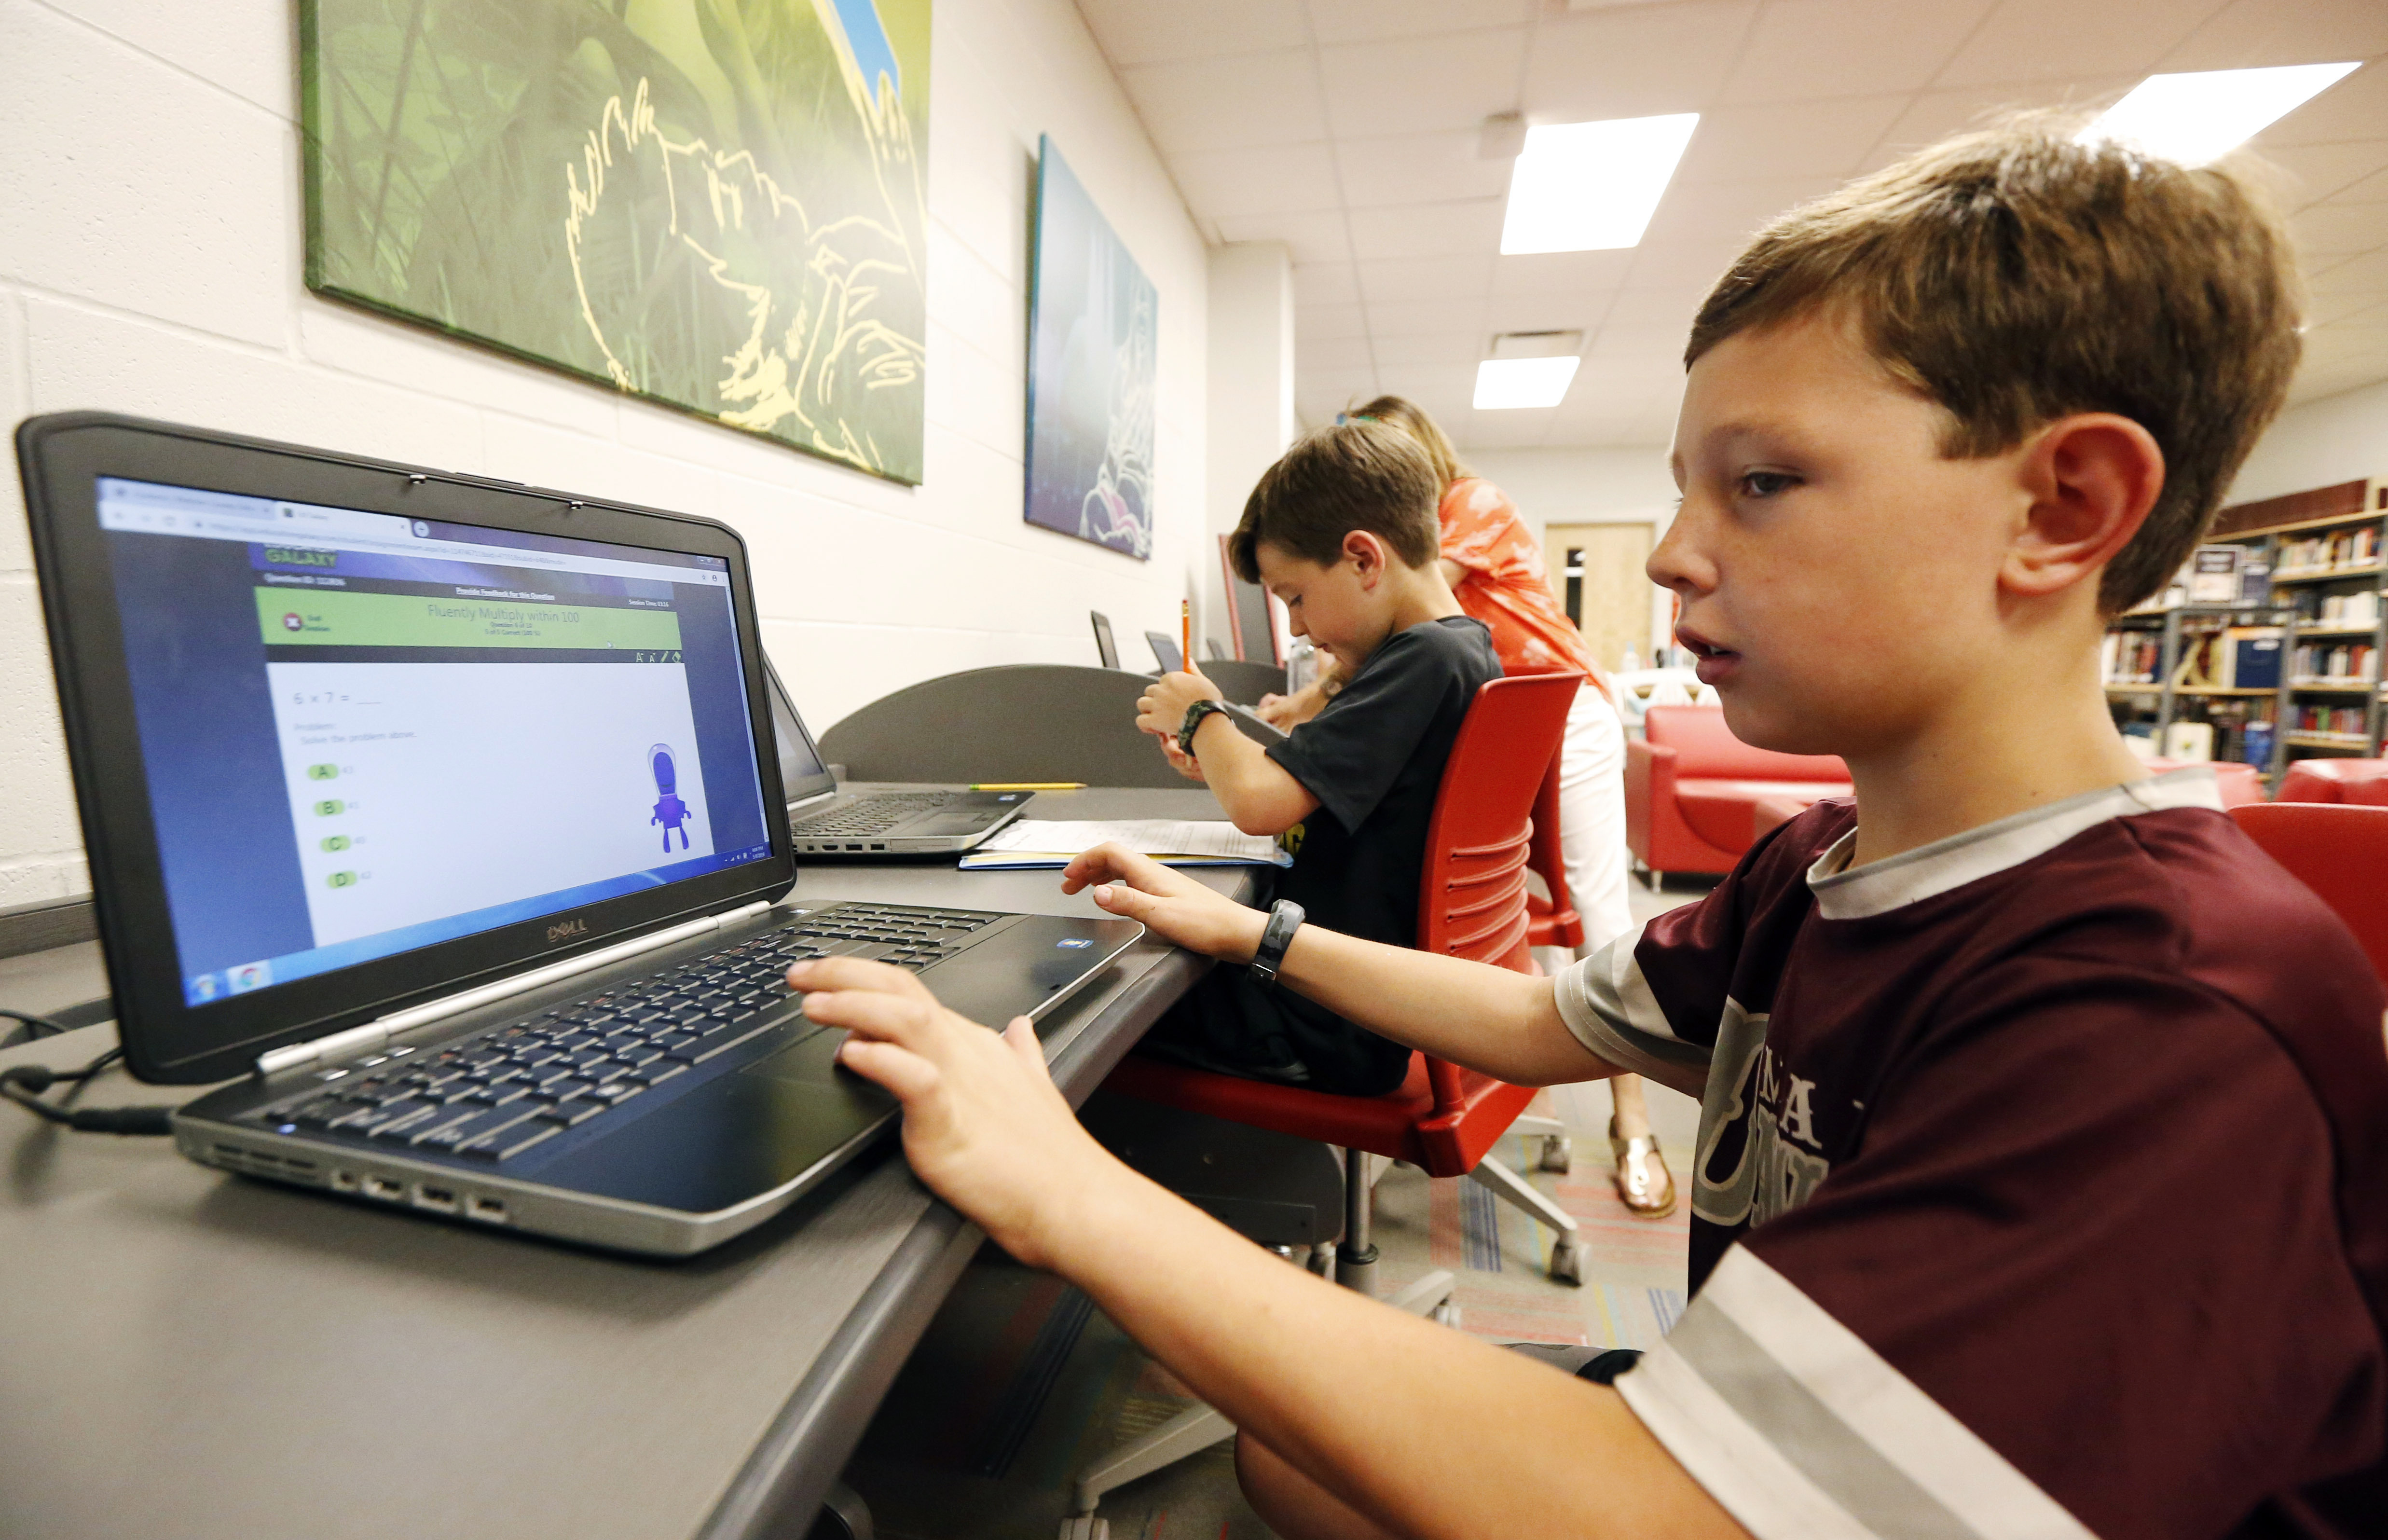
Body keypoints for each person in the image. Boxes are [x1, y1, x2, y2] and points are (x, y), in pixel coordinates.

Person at [795, 120, 2388, 1539]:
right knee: (1297, 1469)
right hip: (1768, 1402)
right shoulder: (1819, 868)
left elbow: (1669, 1511)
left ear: (2065, 510)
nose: (1681, 555)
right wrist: (1247, 928)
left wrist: (1066, 1191)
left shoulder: (2161, 1005)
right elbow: (1543, 1016)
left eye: (1761, 483)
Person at [1263, 394, 1675, 1219]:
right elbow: (1377, 645)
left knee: (1596, 907)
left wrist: (1310, 702)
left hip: (1561, 709)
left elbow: (1402, 605)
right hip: (1486, 708)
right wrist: (1309, 710)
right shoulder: (1421, 625)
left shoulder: (1467, 505)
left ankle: (1637, 1122)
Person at [1128, 419, 1501, 1096]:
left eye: (1295, 597)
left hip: (1314, 1018)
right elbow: (1304, 787)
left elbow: (1261, 804)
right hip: (1336, 1001)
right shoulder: (1457, 652)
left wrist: (1200, 714)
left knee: (1096, 994)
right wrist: (1217, 754)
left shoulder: (1424, 657)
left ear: (1362, 559)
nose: (1296, 626)